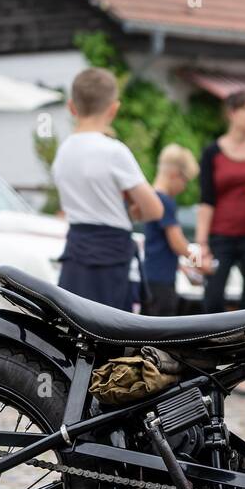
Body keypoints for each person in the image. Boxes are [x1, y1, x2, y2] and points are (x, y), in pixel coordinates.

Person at [51, 67, 163, 309]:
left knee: (71, 327)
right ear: (114, 109)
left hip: (75, 251)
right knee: (109, 334)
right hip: (111, 255)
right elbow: (155, 210)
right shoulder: (114, 151)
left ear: (72, 107)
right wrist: (133, 211)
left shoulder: (63, 152)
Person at [196, 91, 245, 313]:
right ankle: (212, 343)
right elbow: (206, 199)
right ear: (231, 113)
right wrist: (202, 244)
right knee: (213, 297)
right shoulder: (212, 152)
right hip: (221, 236)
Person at [141, 144, 200, 317]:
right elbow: (178, 244)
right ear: (175, 174)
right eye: (185, 181)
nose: (184, 187)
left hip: (150, 277)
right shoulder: (165, 201)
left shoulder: (151, 197)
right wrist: (201, 262)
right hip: (161, 282)